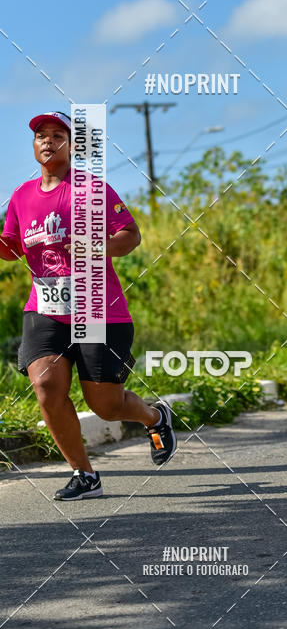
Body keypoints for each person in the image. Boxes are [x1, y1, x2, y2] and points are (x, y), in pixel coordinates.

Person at [0, 111, 177, 499]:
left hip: (97, 306)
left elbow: (130, 237)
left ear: (73, 144)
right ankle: (85, 475)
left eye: (57, 135)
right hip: (44, 307)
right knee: (45, 384)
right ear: (33, 146)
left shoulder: (91, 189)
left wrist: (90, 247)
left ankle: (154, 416)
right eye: (40, 136)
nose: (47, 141)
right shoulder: (21, 196)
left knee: (105, 405)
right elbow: (11, 248)